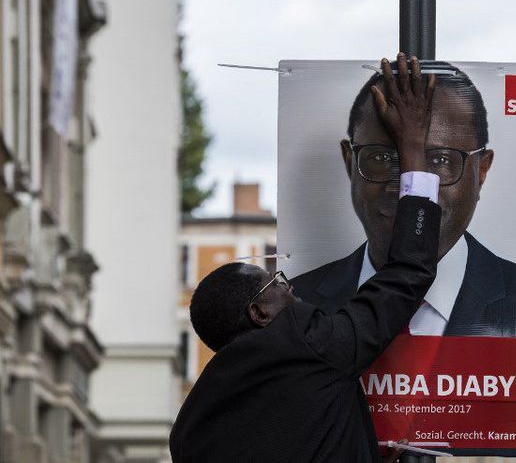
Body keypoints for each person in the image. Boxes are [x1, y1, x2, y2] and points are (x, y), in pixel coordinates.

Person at [169, 55, 441, 462]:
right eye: (275, 282)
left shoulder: (191, 429)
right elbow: (407, 273)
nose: (289, 284)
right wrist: (415, 149)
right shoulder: (303, 344)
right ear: (260, 314)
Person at [292, 59, 516, 339]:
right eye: (380, 158)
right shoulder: (296, 307)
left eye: (440, 160)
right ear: (349, 162)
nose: (404, 189)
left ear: (482, 171)